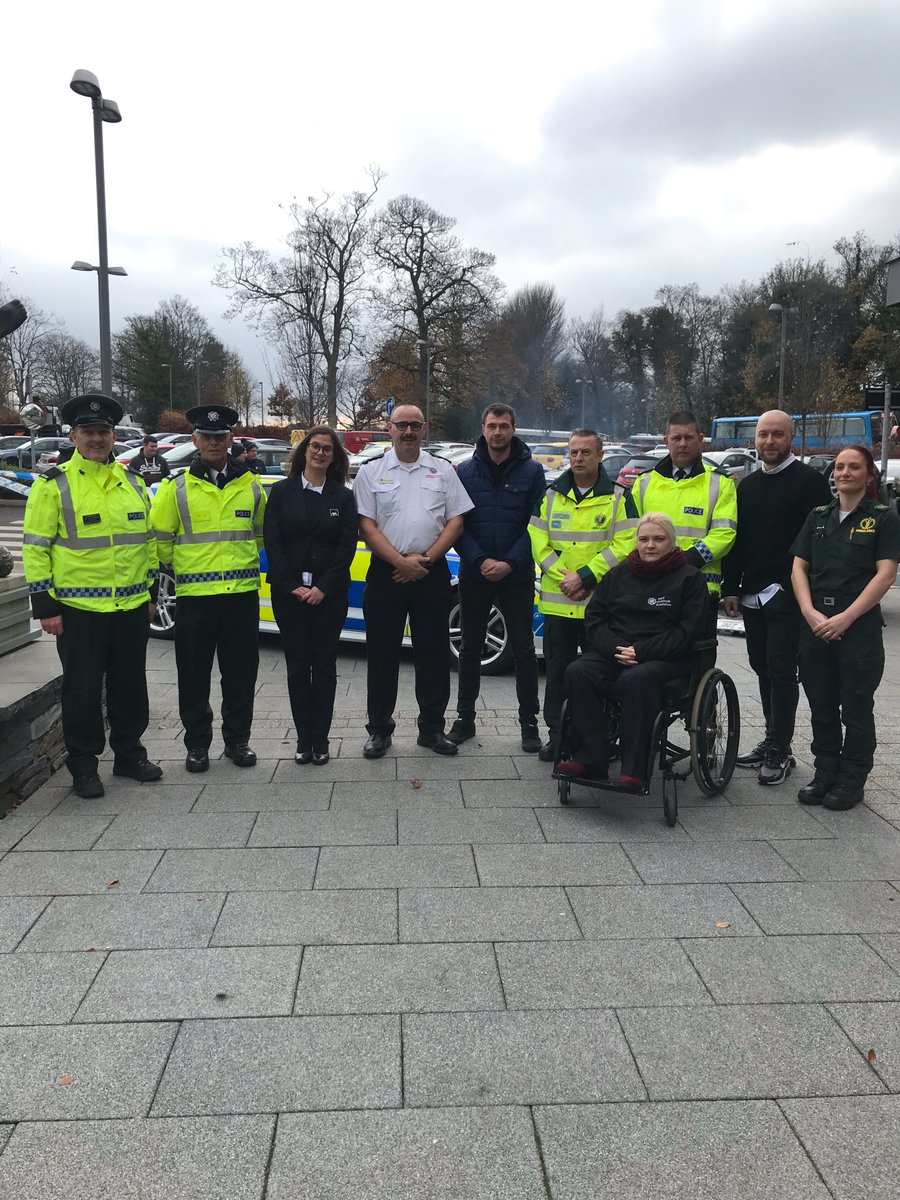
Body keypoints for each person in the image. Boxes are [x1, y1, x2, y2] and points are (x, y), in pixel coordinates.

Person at [22, 393, 162, 798]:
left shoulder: (134, 483)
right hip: (79, 609)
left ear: (114, 435)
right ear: (74, 435)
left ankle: (130, 755)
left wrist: (151, 591)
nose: (97, 438)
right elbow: (36, 547)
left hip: (131, 606)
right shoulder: (55, 485)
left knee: (130, 684)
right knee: (82, 691)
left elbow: (147, 542)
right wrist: (45, 606)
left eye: (103, 431)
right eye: (89, 431)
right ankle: (83, 767)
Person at [150, 404, 266, 773]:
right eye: (207, 437)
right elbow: (161, 542)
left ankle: (238, 742)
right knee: (194, 676)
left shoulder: (252, 485)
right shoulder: (176, 488)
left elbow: (261, 535)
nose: (214, 442)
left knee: (241, 674)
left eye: (221, 436)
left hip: (240, 597)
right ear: (195, 440)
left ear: (230, 439)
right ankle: (197, 745)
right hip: (196, 599)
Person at [354, 403, 474, 757]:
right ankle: (379, 730)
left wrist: (427, 559)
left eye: (415, 426)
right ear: (389, 428)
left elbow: (456, 522)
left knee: (434, 654)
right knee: (381, 654)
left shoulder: (443, 471)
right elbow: (366, 526)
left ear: (424, 429)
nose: (408, 432)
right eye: (401, 425)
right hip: (385, 572)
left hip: (430, 570)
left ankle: (432, 730)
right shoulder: (370, 472)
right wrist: (400, 563)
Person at [560, 512, 708, 790]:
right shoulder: (617, 574)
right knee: (578, 671)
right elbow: (595, 618)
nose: (650, 545)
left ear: (672, 542)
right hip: (615, 653)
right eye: (644, 539)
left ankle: (634, 771)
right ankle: (589, 758)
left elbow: (686, 632)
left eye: (658, 539)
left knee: (635, 679)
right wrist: (616, 648)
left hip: (666, 659)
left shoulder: (689, 579)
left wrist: (640, 651)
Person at [723, 411, 832, 785]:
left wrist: (797, 587)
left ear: (791, 438)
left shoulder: (810, 483)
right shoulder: (747, 486)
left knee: (783, 670)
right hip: (751, 594)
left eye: (777, 435)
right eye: (763, 435)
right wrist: (731, 588)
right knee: (761, 666)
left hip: (787, 594)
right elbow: (738, 543)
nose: (769, 441)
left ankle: (779, 750)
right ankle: (773, 738)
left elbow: (818, 541)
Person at [791, 444, 900, 810]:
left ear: (869, 476)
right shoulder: (818, 516)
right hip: (816, 626)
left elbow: (886, 574)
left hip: (858, 629)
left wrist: (847, 617)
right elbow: (799, 568)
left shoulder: (883, 518)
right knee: (821, 706)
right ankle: (825, 773)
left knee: (855, 707)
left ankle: (852, 780)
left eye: (854, 467)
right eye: (839, 467)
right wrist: (808, 612)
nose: (844, 473)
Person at [528, 429, 637, 761]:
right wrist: (566, 578)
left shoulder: (619, 496)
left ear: (600, 455)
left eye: (585, 453)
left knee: (599, 675)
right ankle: (557, 736)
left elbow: (626, 544)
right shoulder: (550, 495)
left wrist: (587, 576)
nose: (578, 458)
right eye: (573, 453)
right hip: (560, 603)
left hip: (599, 607)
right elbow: (537, 538)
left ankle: (599, 738)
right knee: (558, 674)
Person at [448, 404, 546, 752]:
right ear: (483, 428)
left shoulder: (534, 473)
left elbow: (536, 526)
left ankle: (529, 724)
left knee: (523, 649)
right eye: (492, 426)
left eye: (504, 426)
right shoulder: (464, 472)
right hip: (474, 573)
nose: (498, 432)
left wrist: (508, 563)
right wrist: (479, 560)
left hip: (516, 574)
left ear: (513, 428)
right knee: (469, 648)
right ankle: (464, 719)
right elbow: (457, 525)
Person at [263, 427, 357, 764]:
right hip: (289, 595)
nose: (319, 453)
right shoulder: (281, 492)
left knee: (325, 666)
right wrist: (293, 586)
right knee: (297, 667)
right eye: (314, 447)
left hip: (328, 596)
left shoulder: (343, 497)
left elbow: (346, 548)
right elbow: (272, 542)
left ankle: (322, 739)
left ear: (334, 457)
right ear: (304, 450)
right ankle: (304, 739)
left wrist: (322, 588)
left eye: (327, 450)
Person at [632, 410, 738, 632]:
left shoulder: (720, 482)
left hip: (699, 588)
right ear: (666, 441)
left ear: (700, 440)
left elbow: (724, 534)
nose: (682, 443)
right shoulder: (644, 482)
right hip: (649, 585)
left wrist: (683, 561)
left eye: (688, 438)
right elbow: (631, 534)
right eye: (676, 438)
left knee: (698, 662)